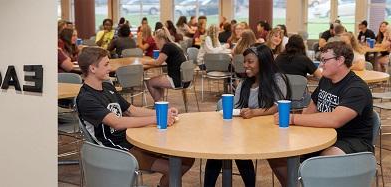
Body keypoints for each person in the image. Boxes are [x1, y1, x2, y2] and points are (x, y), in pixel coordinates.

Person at [75, 47, 194, 187]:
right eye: (106, 64)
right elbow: (117, 123)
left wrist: (163, 113)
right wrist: (157, 119)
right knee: (175, 168)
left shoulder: (107, 88)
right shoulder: (86, 98)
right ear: (92, 69)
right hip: (115, 150)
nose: (110, 67)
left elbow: (131, 110)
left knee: (187, 158)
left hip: (131, 140)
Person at [267, 41, 376, 186]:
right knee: (277, 153)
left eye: (325, 60)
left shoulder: (356, 89)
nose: (320, 65)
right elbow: (312, 108)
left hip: (352, 141)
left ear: (340, 60)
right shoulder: (326, 79)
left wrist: (292, 118)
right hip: (323, 135)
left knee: (325, 159)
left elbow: (334, 120)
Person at [205, 44, 291, 187]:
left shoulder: (277, 80)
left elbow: (279, 106)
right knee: (220, 148)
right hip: (247, 132)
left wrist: (255, 113)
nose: (245, 65)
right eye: (244, 61)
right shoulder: (244, 84)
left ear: (263, 62)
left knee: (240, 146)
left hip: (269, 133)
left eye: (250, 61)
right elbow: (237, 109)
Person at [146, 30, 189, 102]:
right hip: (185, 79)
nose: (156, 44)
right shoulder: (173, 45)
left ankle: (159, 105)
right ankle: (160, 103)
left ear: (161, 39)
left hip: (176, 80)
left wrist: (144, 62)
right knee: (158, 80)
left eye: (156, 41)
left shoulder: (167, 46)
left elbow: (157, 63)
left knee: (149, 82)